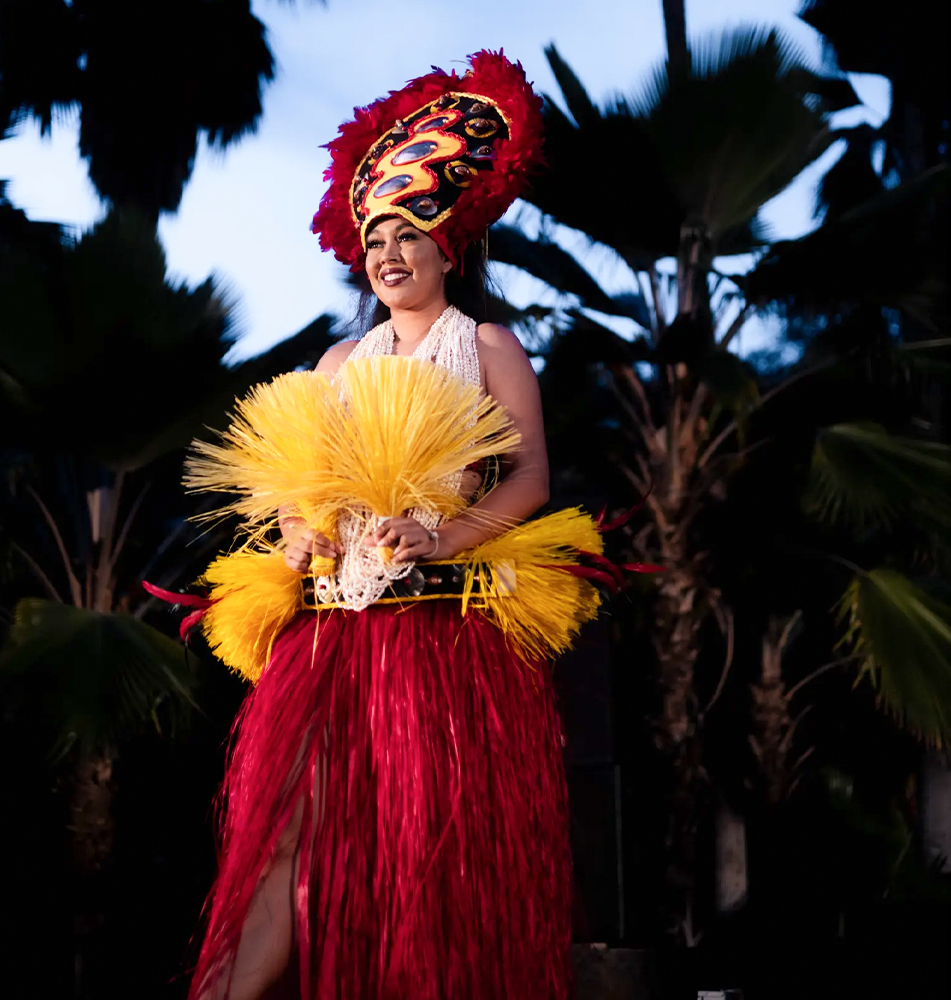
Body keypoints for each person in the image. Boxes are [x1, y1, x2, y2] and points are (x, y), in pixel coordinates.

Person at [178, 51, 608, 1000]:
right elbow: (305, 484)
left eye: (408, 233)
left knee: (424, 848)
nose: (388, 254)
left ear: (448, 249)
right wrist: (301, 531)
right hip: (333, 633)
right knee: (287, 831)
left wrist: (446, 537)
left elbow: (530, 475)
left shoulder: (488, 347)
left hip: (440, 632)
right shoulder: (339, 361)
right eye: (374, 239)